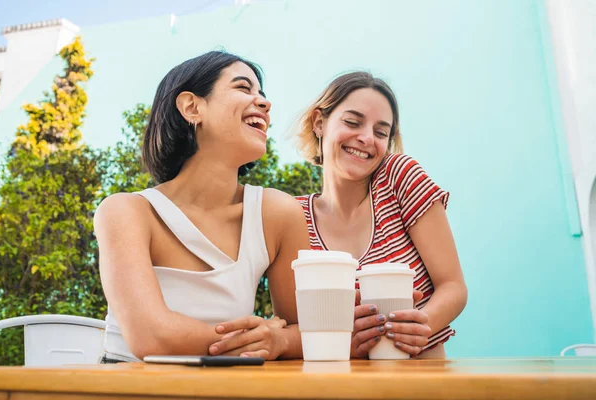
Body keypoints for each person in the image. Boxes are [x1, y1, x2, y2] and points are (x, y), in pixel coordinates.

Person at [94, 51, 309, 363]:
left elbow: (307, 331)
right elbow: (151, 337)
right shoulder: (126, 212)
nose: (264, 103)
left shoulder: (278, 214)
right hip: (128, 388)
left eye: (262, 94)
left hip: (222, 389)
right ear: (192, 107)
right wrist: (264, 340)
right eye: (243, 88)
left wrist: (279, 339)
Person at [293, 72, 467, 359]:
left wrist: (423, 324)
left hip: (422, 384)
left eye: (380, 131)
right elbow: (295, 324)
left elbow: (453, 286)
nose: (365, 138)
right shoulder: (294, 217)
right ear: (319, 123)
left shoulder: (398, 178)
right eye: (352, 122)